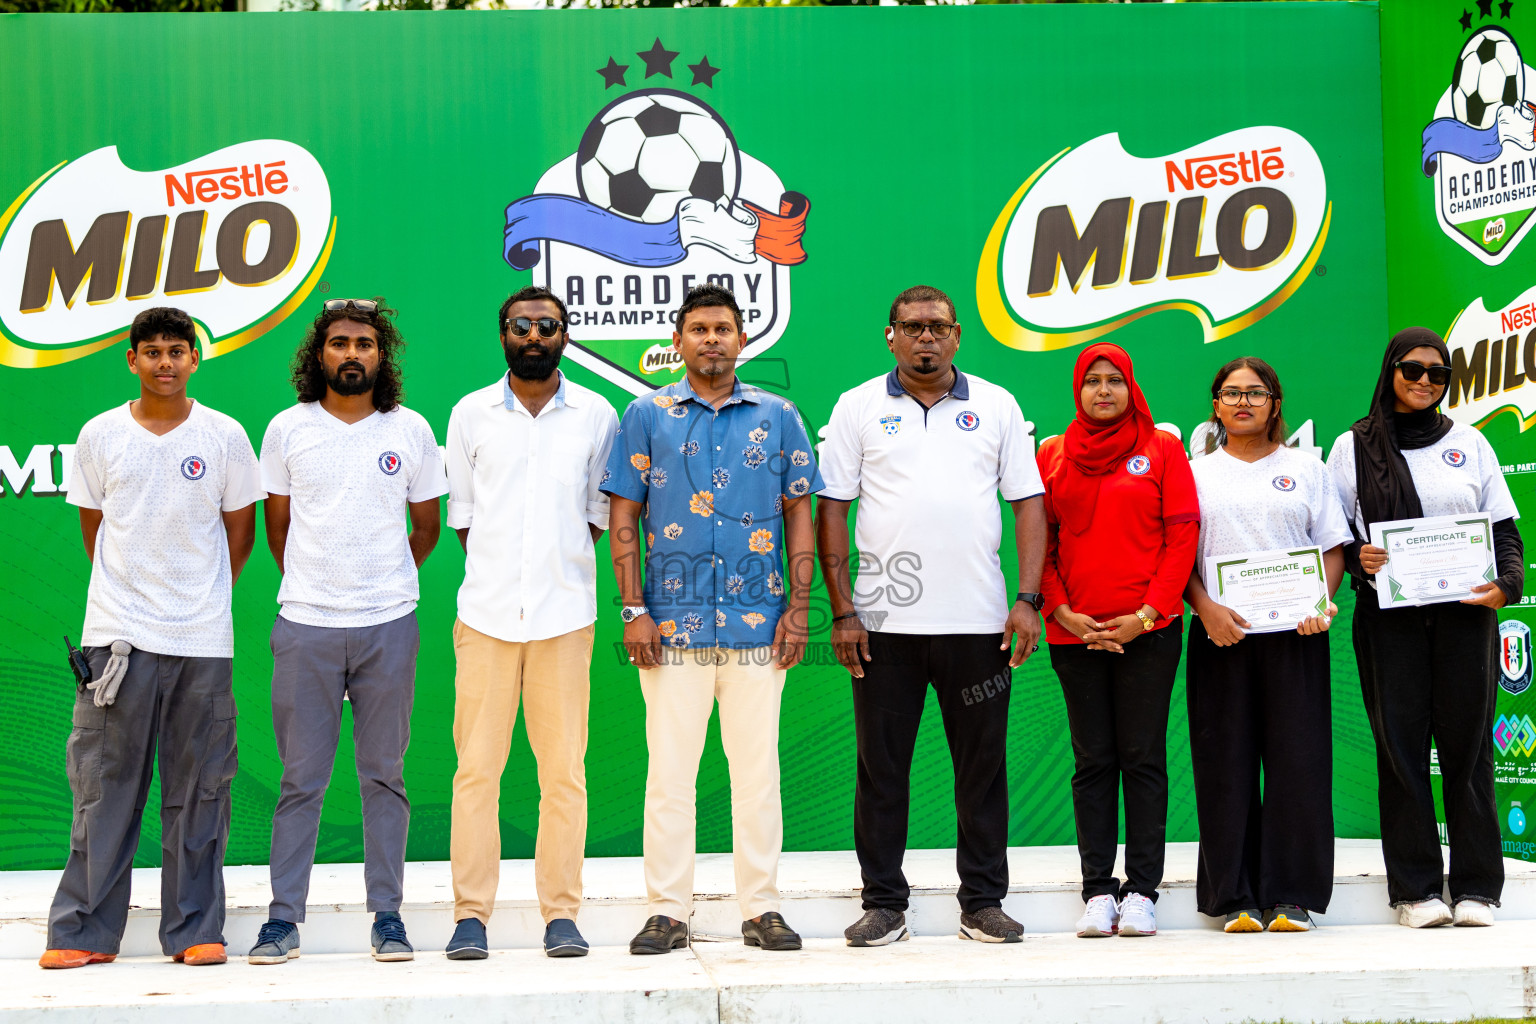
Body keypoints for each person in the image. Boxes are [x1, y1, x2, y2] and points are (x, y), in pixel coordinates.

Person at [816, 284, 1046, 947]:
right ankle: (884, 903)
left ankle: (982, 902)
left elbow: (1028, 502)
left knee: (982, 768)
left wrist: (1026, 599)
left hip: (978, 625)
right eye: (911, 327)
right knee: (880, 770)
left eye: (937, 327)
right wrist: (843, 612)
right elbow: (832, 507)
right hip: (884, 628)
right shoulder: (857, 406)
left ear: (957, 334)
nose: (925, 337)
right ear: (890, 335)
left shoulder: (997, 405)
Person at [603, 282, 821, 956]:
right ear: (677, 340)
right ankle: (667, 910)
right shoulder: (646, 414)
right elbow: (624, 517)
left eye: (723, 328)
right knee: (671, 774)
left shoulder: (779, 416)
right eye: (698, 329)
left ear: (743, 340)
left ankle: (763, 909)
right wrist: (634, 609)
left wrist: (800, 606)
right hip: (673, 628)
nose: (711, 340)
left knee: (756, 774)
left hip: (761, 626)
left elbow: (799, 513)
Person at [41, 306, 262, 969]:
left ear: (196, 359)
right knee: (102, 790)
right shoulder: (101, 434)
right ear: (132, 360)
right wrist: (128, 603)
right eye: (153, 351)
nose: (165, 362)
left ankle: (195, 928)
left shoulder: (224, 436)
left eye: (178, 350)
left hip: (201, 639)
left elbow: (240, 533)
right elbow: (94, 526)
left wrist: (197, 600)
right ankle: (81, 932)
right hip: (118, 642)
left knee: (201, 790)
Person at [248, 299, 446, 966]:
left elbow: (426, 528)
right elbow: (279, 530)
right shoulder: (286, 430)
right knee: (301, 780)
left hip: (388, 624)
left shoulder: (411, 429)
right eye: (340, 343)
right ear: (320, 354)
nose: (352, 353)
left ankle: (387, 916)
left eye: (364, 343)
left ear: (381, 355)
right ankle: (282, 920)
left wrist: (379, 585)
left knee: (383, 777)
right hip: (305, 626)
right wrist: (321, 585)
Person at [442, 286, 618, 960]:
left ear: (565, 335)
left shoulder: (597, 416)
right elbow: (465, 518)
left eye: (548, 325)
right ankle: (470, 917)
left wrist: (550, 575)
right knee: (475, 773)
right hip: (485, 619)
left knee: (564, 775)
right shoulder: (470, 414)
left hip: (564, 620)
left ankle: (561, 915)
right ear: (503, 334)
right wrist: (506, 577)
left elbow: (596, 521)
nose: (535, 335)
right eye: (522, 325)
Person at [1327, 327, 1523, 929]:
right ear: (1390, 371)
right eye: (1412, 370)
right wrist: (1363, 557)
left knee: (1467, 749)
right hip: (1391, 624)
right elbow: (1337, 537)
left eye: (1438, 374)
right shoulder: (1352, 446)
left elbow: (1505, 532)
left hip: (1467, 620)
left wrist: (1508, 586)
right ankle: (1415, 891)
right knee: (1401, 749)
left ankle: (1477, 888)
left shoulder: (1472, 444)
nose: (1424, 382)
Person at [1037, 342, 1200, 940]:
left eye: (1114, 381)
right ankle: (1098, 891)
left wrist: (1147, 614)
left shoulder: (1162, 448)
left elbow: (1182, 536)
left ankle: (1142, 892)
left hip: (1148, 631)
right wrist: (1063, 611)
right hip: (1073, 632)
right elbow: (1042, 544)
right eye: (1092, 381)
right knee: (1093, 761)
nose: (1103, 391)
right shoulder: (1052, 454)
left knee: (1142, 757)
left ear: (1131, 388)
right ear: (1078, 390)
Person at [1183, 356, 1349, 934]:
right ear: (1216, 405)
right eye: (1232, 393)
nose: (1244, 402)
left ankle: (1291, 896)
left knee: (1297, 764)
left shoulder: (1307, 468)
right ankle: (1236, 897)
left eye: (1256, 393)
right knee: (1223, 763)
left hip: (1296, 637)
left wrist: (1319, 605)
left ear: (1276, 403)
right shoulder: (1194, 473)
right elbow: (1178, 559)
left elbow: (1332, 549)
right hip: (1220, 634)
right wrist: (1205, 610)